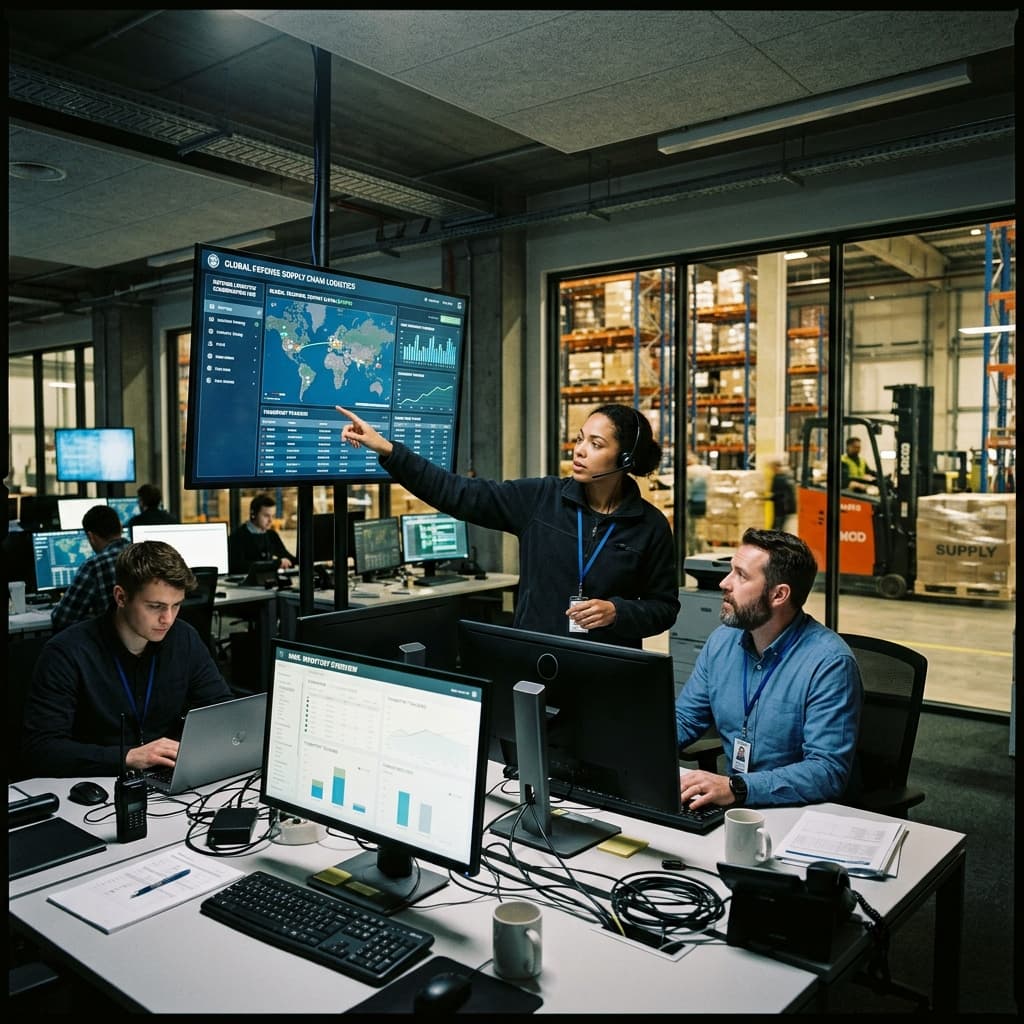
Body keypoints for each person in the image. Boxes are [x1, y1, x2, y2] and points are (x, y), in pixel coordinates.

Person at [337, 402, 680, 646]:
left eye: (596, 444)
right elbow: (457, 493)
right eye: (579, 438)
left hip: (605, 671)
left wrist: (617, 611)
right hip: (535, 660)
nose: (579, 450)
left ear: (625, 459)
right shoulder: (541, 499)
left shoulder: (650, 527)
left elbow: (663, 609)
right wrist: (388, 450)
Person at [675, 528, 862, 809]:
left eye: (741, 575)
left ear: (778, 595)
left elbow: (826, 772)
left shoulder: (829, 663)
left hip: (798, 811)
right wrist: (630, 746)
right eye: (730, 571)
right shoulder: (721, 642)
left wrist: (737, 787)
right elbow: (686, 719)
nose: (725, 583)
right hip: (736, 807)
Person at [22, 541, 233, 778]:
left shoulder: (184, 639)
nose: (168, 619)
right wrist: (128, 757)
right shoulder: (67, 653)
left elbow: (222, 709)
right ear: (121, 597)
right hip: (94, 784)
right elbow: (41, 750)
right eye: (156, 606)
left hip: (167, 781)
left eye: (176, 606)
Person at [50, 504, 130, 633]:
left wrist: (93, 618)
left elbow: (61, 618)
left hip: (109, 647)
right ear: (120, 528)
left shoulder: (94, 566)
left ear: (91, 536)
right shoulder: (145, 556)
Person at [228, 493, 295, 574]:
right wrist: (275, 564)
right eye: (266, 516)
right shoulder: (238, 537)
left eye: (272, 516)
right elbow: (238, 566)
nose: (270, 520)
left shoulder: (271, 535)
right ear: (253, 514)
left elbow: (287, 557)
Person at [685, 450, 711, 556]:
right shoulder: (706, 470)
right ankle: (701, 549)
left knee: (691, 530)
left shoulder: (688, 471)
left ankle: (693, 551)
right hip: (704, 503)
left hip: (692, 503)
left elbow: (687, 491)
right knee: (701, 529)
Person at [768, 458, 797, 531]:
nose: (771, 469)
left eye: (772, 467)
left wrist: (768, 498)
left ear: (776, 467)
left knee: (779, 524)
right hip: (782, 505)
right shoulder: (783, 476)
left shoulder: (780, 478)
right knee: (779, 523)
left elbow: (779, 493)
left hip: (782, 505)